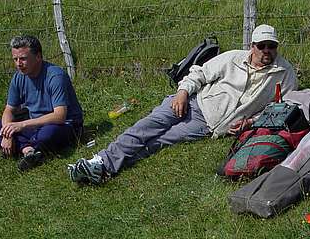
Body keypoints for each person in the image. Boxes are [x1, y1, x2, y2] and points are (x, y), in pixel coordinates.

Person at [68, 24, 298, 184]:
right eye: (262, 45)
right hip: (195, 102)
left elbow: (278, 109)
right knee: (146, 126)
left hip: (210, 125)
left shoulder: (284, 73)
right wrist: (182, 93)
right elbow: (199, 73)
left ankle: (103, 170)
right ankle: (101, 160)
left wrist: (249, 122)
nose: (267, 51)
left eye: (271, 46)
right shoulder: (233, 58)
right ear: (252, 45)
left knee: (159, 141)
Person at [0, 35, 83, 171]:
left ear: (38, 56)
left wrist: (21, 125)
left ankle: (22, 147)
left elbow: (59, 116)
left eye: (23, 59)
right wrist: (8, 133)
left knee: (48, 133)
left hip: (63, 124)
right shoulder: (18, 77)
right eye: (15, 59)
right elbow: (9, 109)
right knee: (0, 124)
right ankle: (29, 150)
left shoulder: (55, 76)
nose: (18, 64)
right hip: (34, 123)